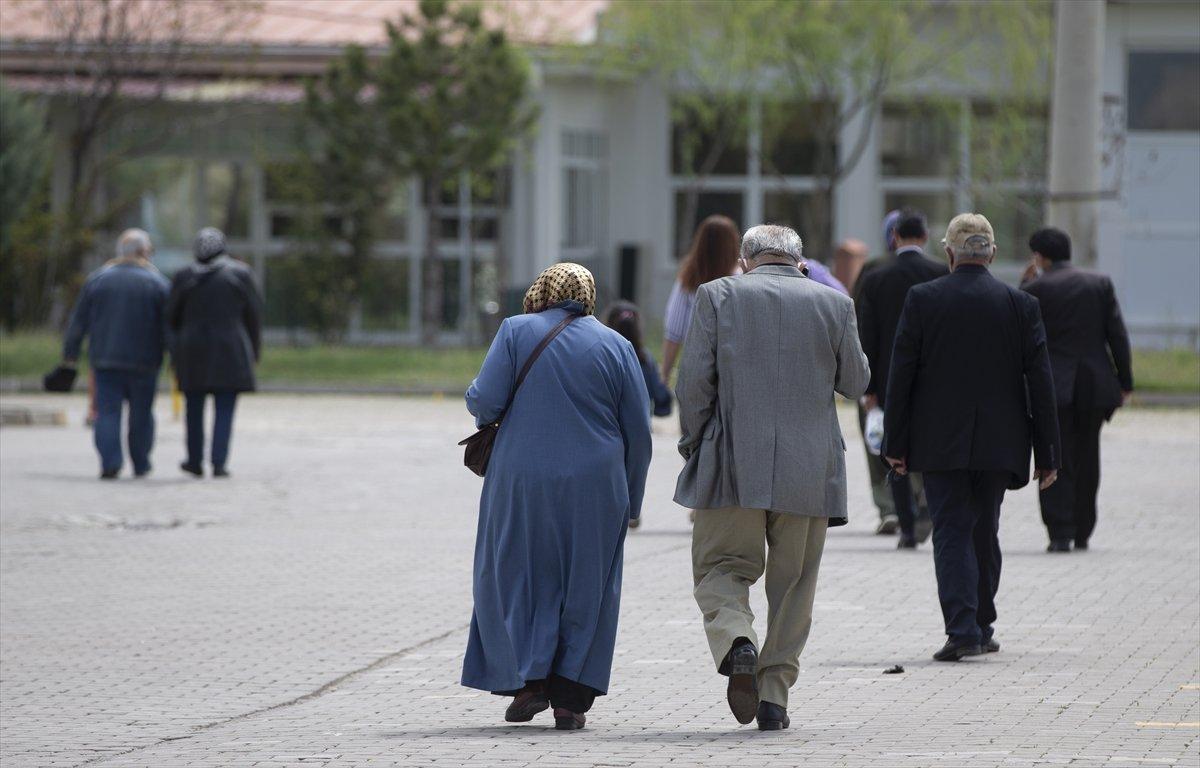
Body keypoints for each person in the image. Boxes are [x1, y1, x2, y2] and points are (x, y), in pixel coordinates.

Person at [674, 224, 870, 730]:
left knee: (720, 567)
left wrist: (693, 444)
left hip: (732, 459)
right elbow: (856, 381)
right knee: (795, 585)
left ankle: (738, 640)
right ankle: (774, 696)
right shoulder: (834, 304)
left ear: (746, 260)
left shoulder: (716, 296)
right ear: (799, 261)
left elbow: (693, 381)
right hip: (810, 469)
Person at [461, 263, 652, 731]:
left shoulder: (514, 330)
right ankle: (571, 696)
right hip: (597, 484)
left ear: (541, 291)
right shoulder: (617, 344)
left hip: (521, 480)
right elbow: (639, 433)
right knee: (589, 584)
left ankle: (531, 679)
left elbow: (484, 403)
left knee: (519, 573)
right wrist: (632, 499)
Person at [883, 213, 1060, 662]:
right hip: (1002, 442)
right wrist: (1049, 453)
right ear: (993, 254)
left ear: (948, 253)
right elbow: (1041, 382)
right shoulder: (1020, 305)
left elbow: (900, 376)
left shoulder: (923, 300)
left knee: (952, 531)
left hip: (939, 441)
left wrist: (895, 445)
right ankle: (981, 624)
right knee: (986, 529)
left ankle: (963, 628)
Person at [1021, 227, 1133, 552]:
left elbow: (1021, 332)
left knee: (1054, 455)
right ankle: (1084, 529)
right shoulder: (1099, 283)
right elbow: (1117, 335)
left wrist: (1025, 283)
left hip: (1052, 387)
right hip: (1093, 385)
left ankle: (1059, 532)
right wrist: (1125, 381)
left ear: (1039, 257)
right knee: (1088, 457)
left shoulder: (1036, 288)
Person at [855, 208, 947, 548]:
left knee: (893, 449)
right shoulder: (940, 272)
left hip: (889, 377)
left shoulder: (876, 277)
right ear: (923, 237)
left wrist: (869, 388)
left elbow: (866, 334)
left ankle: (906, 525)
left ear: (894, 237)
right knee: (932, 445)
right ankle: (926, 508)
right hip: (932, 378)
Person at [61, 229, 170, 479]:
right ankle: (141, 463)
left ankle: (110, 462)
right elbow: (169, 326)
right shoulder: (158, 283)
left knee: (107, 411)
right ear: (143, 252)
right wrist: (176, 356)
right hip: (145, 361)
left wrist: (70, 355)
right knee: (142, 413)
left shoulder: (97, 280)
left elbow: (78, 323)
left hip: (105, 360)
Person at [167, 228, 262, 479]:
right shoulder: (240, 274)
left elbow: (171, 317)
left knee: (193, 409)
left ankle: (194, 460)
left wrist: (174, 351)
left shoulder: (184, 276)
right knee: (225, 409)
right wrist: (254, 351)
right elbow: (253, 316)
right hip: (229, 350)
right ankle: (219, 462)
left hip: (192, 352)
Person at [851, 211, 903, 534]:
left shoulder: (872, 270)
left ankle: (888, 508)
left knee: (876, 442)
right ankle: (915, 503)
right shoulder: (937, 270)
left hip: (878, 374)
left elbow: (856, 321)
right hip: (920, 377)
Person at [660, 215, 741, 384]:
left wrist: (665, 376)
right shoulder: (742, 280)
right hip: (734, 372)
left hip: (697, 371)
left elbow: (674, 331)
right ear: (733, 244)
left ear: (700, 244)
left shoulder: (688, 280)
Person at [604, 301, 672, 418]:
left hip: (606, 426)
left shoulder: (602, 357)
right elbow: (661, 397)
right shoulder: (646, 359)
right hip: (639, 425)